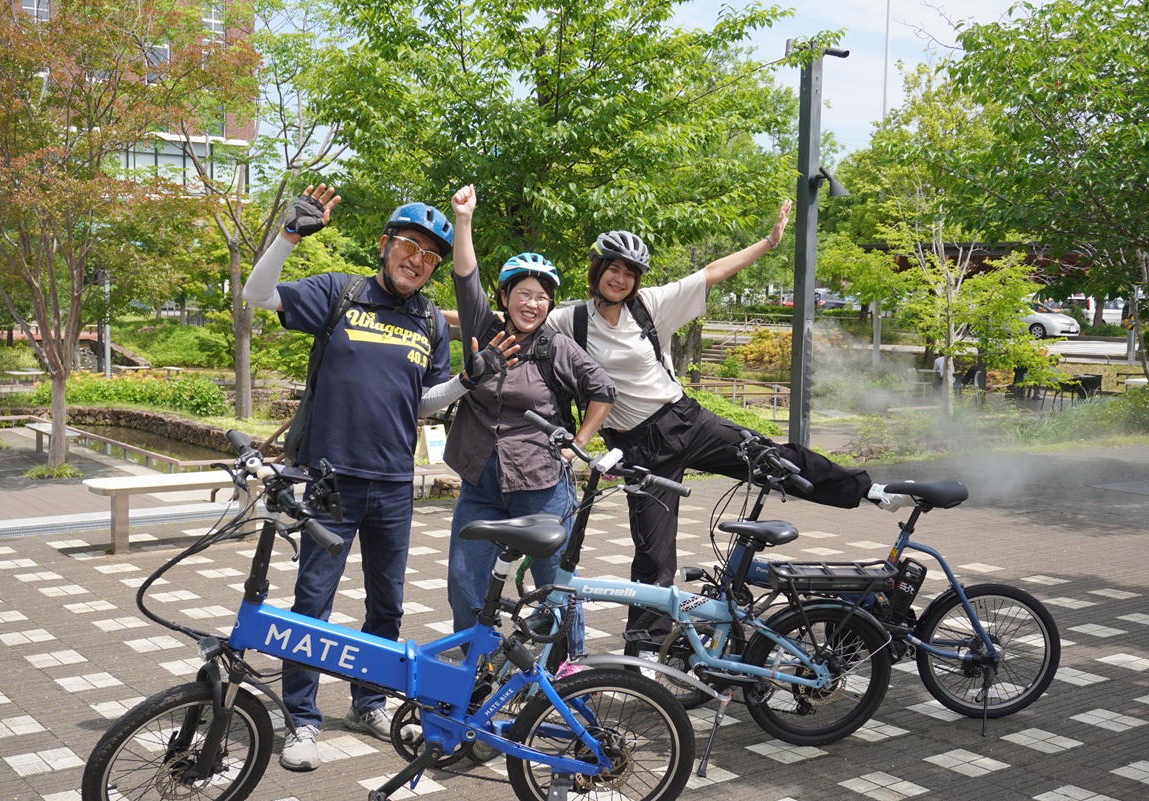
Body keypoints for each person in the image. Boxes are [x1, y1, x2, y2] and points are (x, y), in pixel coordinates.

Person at [243, 185, 515, 771]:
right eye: (408, 246)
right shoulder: (340, 292)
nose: (417, 259)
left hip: (394, 483)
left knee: (387, 604)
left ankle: (368, 702)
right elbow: (256, 294)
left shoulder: (429, 320)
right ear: (385, 244)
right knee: (311, 603)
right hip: (330, 481)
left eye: (430, 255)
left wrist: (467, 381)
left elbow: (423, 402)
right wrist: (289, 236)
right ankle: (302, 719)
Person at [543, 202, 908, 623]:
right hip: (639, 449)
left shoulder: (650, 305)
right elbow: (518, 320)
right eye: (613, 269)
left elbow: (712, 271)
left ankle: (870, 490)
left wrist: (769, 242)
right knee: (652, 554)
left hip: (685, 421)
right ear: (597, 270)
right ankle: (643, 646)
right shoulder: (569, 321)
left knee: (773, 458)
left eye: (630, 272)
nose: (620, 279)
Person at [444, 184, 616, 662]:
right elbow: (465, 279)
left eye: (541, 297)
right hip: (480, 482)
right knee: (465, 584)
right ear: (505, 296)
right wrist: (463, 221)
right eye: (523, 293)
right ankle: (475, 667)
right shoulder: (484, 330)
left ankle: (570, 670)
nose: (532, 304)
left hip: (542, 484)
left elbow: (603, 390)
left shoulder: (557, 346)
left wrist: (577, 444)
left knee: (556, 587)